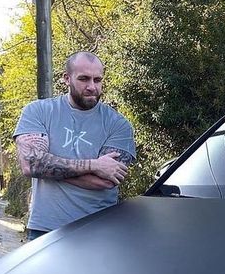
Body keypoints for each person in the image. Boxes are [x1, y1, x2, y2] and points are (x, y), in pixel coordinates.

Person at [14, 51, 136, 240]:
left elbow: (107, 181)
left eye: (97, 80)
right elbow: (31, 165)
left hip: (99, 231)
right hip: (45, 230)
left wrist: (50, 167)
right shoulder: (38, 111)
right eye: (84, 79)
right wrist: (95, 165)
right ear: (66, 78)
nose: (92, 87)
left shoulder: (118, 124)